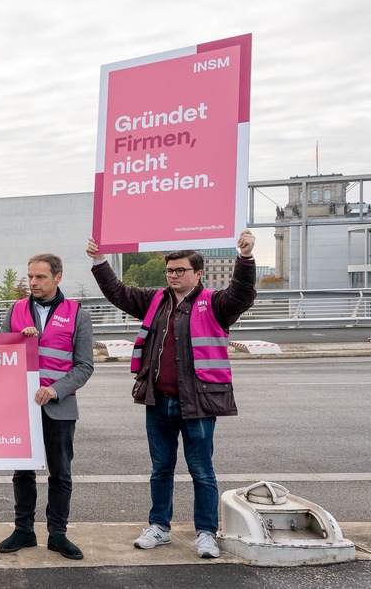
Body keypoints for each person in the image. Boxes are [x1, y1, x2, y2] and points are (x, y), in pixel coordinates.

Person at [87, 230, 257, 559]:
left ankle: (206, 533)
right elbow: (118, 293)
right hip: (158, 400)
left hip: (198, 402)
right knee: (160, 469)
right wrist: (99, 260)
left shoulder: (216, 304)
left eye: (180, 270)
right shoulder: (156, 301)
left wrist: (246, 259)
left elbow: (242, 294)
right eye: (169, 270)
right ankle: (159, 527)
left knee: (202, 470)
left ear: (198, 273)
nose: (174, 275)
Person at [0, 253, 95, 560]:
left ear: (57, 277)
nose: (33, 283)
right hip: (22, 407)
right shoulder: (15, 310)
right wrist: (16, 339)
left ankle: (57, 533)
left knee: (60, 472)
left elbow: (84, 366)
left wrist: (55, 390)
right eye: (30, 277)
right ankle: (23, 530)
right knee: (22, 471)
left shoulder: (77, 313)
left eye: (40, 277)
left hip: (60, 406)